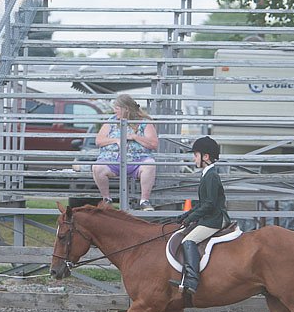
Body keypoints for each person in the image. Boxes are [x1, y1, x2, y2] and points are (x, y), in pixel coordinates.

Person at [170, 136, 231, 295]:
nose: (193, 158)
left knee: (188, 240)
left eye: (196, 155)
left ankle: (191, 280)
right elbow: (203, 203)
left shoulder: (211, 176)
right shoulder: (206, 174)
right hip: (210, 217)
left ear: (206, 157)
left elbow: (209, 204)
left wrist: (191, 218)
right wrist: (187, 214)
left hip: (214, 219)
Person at [92, 94, 158, 211]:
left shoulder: (144, 122)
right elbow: (99, 140)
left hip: (138, 160)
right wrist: (116, 140)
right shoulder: (111, 121)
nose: (114, 111)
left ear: (126, 109)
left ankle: (144, 201)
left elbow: (153, 144)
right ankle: (106, 199)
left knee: (150, 165)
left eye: (117, 108)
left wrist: (134, 137)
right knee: (97, 167)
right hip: (112, 159)